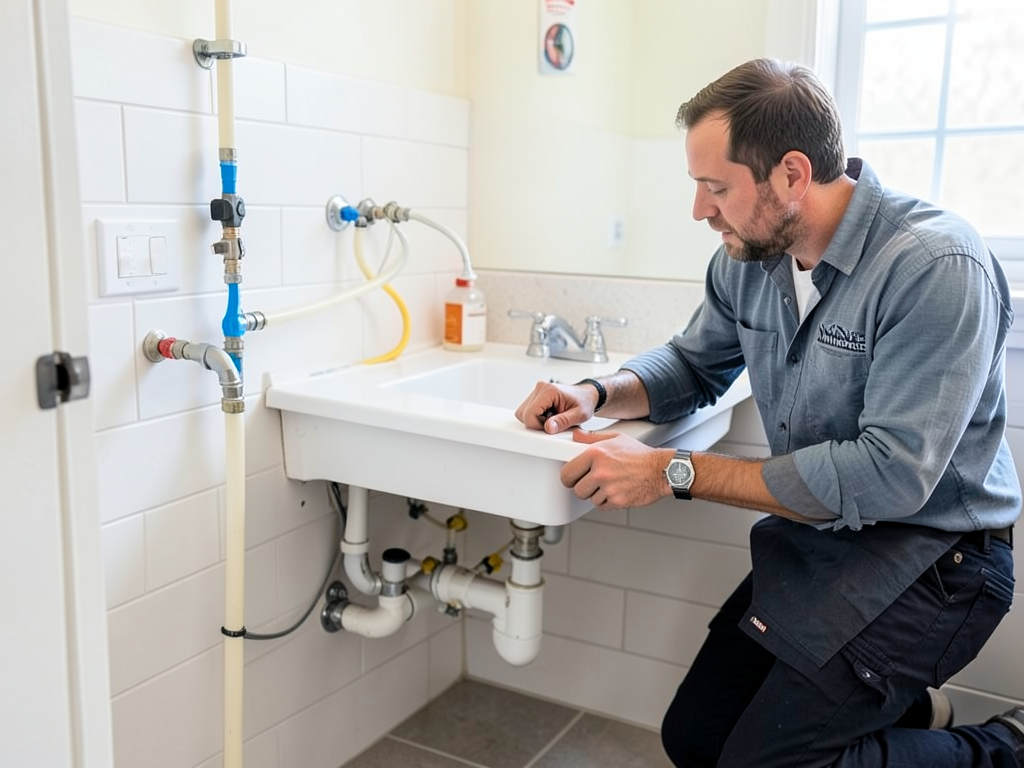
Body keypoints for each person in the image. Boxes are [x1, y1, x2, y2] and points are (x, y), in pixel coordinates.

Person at [514, 58, 1022, 767]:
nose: (700, 210)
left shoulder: (936, 267)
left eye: (716, 187)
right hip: (823, 538)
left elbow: (890, 475)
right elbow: (693, 364)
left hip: (939, 556)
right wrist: (597, 392)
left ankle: (1004, 748)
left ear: (791, 174)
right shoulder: (748, 258)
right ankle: (908, 716)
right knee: (694, 740)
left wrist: (671, 471)